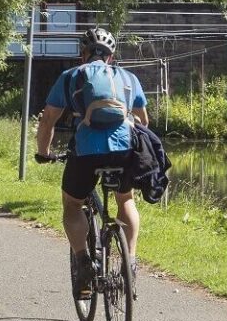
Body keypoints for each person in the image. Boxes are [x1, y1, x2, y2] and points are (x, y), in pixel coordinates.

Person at [33, 26, 148, 299]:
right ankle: (130, 261)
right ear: (111, 55)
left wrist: (44, 152)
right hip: (124, 150)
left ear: (82, 53)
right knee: (126, 200)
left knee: (72, 204)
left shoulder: (71, 77)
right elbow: (143, 121)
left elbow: (49, 119)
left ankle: (84, 261)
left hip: (86, 151)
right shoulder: (128, 78)